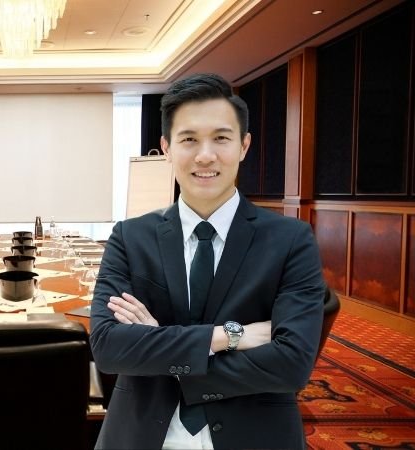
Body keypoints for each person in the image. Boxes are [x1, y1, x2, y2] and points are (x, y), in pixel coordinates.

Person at [90, 73, 325, 449]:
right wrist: (232, 336)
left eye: (221, 138)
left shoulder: (291, 240)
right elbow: (108, 347)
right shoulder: (130, 237)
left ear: (244, 145)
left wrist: (157, 348)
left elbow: (292, 364)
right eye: (188, 139)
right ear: (167, 147)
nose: (205, 155)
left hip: (255, 434)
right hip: (141, 433)